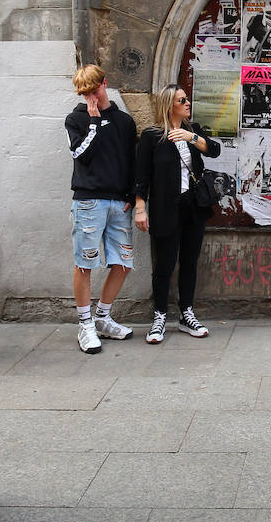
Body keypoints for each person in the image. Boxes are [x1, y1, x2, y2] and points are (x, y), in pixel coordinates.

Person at [134, 84, 220, 344]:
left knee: (190, 261)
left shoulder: (193, 130)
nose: (187, 103)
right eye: (181, 100)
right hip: (165, 208)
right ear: (168, 105)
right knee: (165, 263)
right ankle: (159, 315)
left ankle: (186, 313)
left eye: (187, 99)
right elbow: (141, 176)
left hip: (193, 206)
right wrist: (140, 208)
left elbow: (214, 150)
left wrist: (191, 138)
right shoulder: (152, 136)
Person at [65, 64, 137, 353]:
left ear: (105, 83)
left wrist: (133, 194)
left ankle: (103, 317)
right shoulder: (76, 119)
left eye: (94, 90)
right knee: (85, 263)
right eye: (85, 94)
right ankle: (85, 325)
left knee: (122, 263)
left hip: (119, 201)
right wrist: (93, 123)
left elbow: (131, 160)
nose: (91, 98)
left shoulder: (124, 121)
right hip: (89, 201)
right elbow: (81, 155)